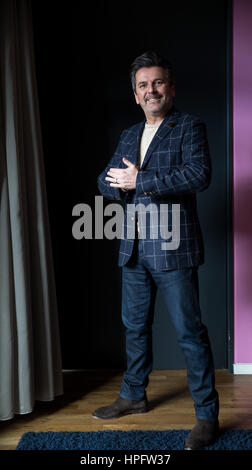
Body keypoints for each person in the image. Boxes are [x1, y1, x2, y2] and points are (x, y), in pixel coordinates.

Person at [94, 51, 219, 450]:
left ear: (171, 88)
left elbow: (199, 175)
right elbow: (105, 179)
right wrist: (119, 184)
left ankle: (206, 415)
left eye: (158, 83)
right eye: (144, 85)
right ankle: (133, 395)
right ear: (135, 95)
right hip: (132, 248)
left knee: (189, 332)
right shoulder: (129, 135)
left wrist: (140, 180)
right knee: (134, 327)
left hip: (172, 246)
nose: (152, 90)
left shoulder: (188, 127)